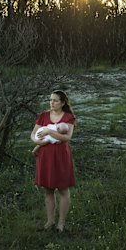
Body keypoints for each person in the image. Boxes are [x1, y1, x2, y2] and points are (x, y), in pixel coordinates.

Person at [31, 90, 76, 232]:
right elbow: (33, 134)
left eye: (55, 100)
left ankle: (61, 223)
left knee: (63, 189)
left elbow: (67, 137)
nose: (52, 102)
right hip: (45, 154)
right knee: (48, 189)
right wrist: (37, 141)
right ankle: (50, 221)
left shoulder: (69, 117)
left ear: (63, 103)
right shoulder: (43, 115)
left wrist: (49, 132)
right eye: (50, 100)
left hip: (61, 154)